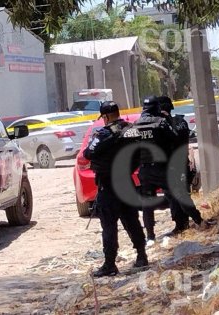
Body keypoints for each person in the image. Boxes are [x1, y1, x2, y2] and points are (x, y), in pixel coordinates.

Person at [84, 101, 148, 277]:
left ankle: (110, 264)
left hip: (108, 185)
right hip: (126, 182)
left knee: (109, 226)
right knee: (132, 221)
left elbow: (88, 153)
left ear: (105, 117)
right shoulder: (132, 130)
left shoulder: (104, 134)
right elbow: (141, 152)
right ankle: (142, 256)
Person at [135, 96, 206, 243]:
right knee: (181, 195)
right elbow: (174, 138)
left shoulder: (136, 125)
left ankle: (150, 237)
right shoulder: (161, 123)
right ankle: (199, 221)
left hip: (146, 170)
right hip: (163, 169)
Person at [157, 96, 205, 236]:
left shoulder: (164, 125)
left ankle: (191, 222)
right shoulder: (181, 121)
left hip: (173, 165)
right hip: (182, 162)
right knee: (180, 195)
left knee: (176, 196)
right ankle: (185, 223)